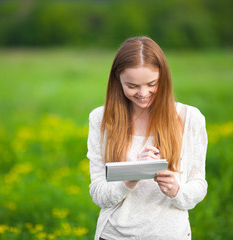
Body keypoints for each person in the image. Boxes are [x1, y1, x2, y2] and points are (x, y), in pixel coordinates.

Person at [86, 36, 208, 240]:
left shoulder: (190, 119)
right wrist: (131, 175)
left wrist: (176, 190)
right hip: (114, 235)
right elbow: (99, 194)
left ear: (164, 78)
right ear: (118, 80)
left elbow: (198, 186)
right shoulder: (101, 118)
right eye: (132, 86)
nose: (143, 93)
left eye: (152, 84)